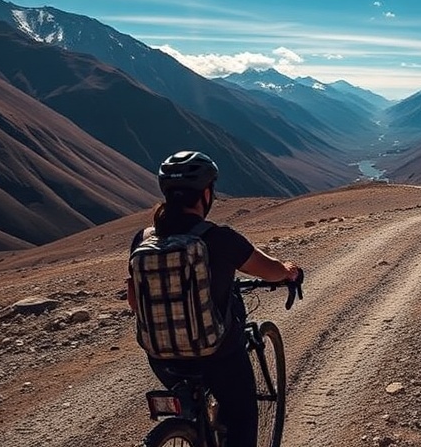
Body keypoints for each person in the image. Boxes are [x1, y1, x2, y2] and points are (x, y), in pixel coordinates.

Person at [128, 151, 301, 447]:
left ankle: (194, 426)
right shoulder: (219, 239)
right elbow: (269, 270)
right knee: (242, 415)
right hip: (217, 356)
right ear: (206, 194)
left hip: (161, 357)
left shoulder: (143, 240)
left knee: (192, 400)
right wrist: (289, 272)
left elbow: (135, 300)